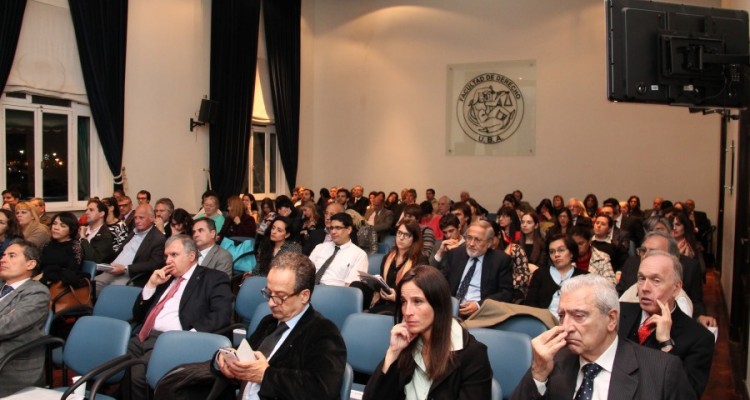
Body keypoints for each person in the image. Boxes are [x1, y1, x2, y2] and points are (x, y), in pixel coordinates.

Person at [510, 274, 697, 400]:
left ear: (611, 319)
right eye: (562, 316)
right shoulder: (553, 361)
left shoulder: (661, 371)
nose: (566, 327)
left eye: (579, 316)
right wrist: (538, 373)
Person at [215, 252, 346, 399]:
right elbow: (244, 357)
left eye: (280, 296)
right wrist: (223, 358)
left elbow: (322, 390)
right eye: (268, 293)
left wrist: (266, 376)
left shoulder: (323, 332)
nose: (271, 303)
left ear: (304, 295)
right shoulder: (269, 322)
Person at [363, 265, 493, 399]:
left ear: (438, 304)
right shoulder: (405, 343)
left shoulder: (473, 355)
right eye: (403, 302)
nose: (407, 312)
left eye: (418, 302)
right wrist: (393, 352)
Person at [128, 235, 233, 400]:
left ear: (191, 256)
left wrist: (188, 336)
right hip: (143, 337)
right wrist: (150, 285)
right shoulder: (164, 279)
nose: (168, 260)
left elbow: (221, 315)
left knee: (137, 374)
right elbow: (137, 314)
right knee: (113, 364)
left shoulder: (213, 278)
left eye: (174, 255)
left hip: (172, 341)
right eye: (166, 256)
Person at [618, 250, 714, 397]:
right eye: (641, 278)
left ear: (676, 288)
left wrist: (666, 344)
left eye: (656, 281)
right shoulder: (618, 313)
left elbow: (686, 395)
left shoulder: (699, 338)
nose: (645, 288)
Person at [0, 241, 50, 397]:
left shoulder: (37, 293)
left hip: (12, 365)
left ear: (30, 264)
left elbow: (4, 326)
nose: (3, 259)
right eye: (3, 255)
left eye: (11, 255)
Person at [442, 220, 514, 318]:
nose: (471, 244)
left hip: (480, 313)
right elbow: (442, 281)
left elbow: (506, 293)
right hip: (450, 309)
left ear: (489, 243)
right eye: (469, 238)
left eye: (477, 240)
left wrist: (478, 305)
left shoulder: (500, 260)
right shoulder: (456, 254)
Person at [94, 204, 166, 294]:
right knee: (94, 283)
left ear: (152, 218)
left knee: (112, 291)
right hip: (113, 269)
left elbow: (154, 264)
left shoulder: (158, 238)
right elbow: (121, 251)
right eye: (135, 218)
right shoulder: (133, 232)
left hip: (131, 274)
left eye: (141, 218)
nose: (137, 221)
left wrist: (125, 268)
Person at [357, 221, 425, 315]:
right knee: (357, 285)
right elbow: (382, 281)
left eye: (406, 235)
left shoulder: (420, 261)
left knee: (383, 313)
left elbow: (420, 290)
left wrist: (397, 297)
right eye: (399, 233)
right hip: (384, 298)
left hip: (401, 303)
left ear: (414, 239)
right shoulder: (388, 257)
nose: (401, 238)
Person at [524, 234, 588, 317]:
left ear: (571, 253)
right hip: (542, 324)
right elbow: (530, 305)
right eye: (552, 251)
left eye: (561, 250)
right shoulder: (540, 274)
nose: (556, 255)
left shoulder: (583, 277)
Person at [309, 212, 368, 286]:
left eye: (338, 228)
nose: (333, 232)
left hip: (335, 293)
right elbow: (306, 272)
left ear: (349, 229)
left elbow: (351, 286)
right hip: (309, 289)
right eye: (331, 228)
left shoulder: (359, 255)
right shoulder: (320, 247)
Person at [36, 212, 85, 287]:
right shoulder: (47, 245)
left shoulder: (75, 247)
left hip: (60, 288)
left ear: (71, 230)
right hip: (41, 282)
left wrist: (46, 273)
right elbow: (38, 267)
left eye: (62, 226)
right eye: (54, 224)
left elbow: (71, 274)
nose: (56, 228)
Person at [79, 199, 116, 264]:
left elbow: (95, 260)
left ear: (101, 214)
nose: (86, 212)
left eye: (91, 210)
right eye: (86, 210)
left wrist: (83, 238)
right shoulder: (81, 229)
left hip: (94, 272)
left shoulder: (106, 235)